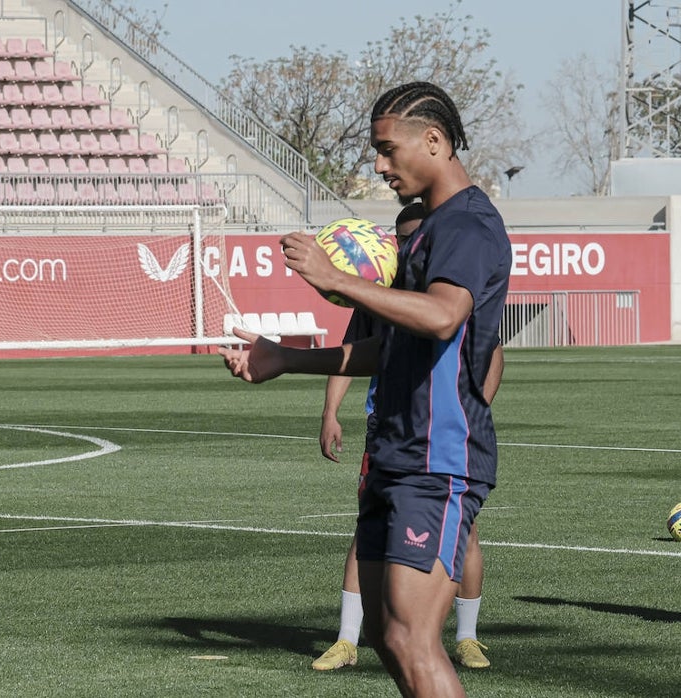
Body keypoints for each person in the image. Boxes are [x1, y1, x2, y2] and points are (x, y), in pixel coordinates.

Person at [220, 81, 511, 696]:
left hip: (439, 456)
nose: (379, 166)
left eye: (386, 149)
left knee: (412, 636)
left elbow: (441, 316)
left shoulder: (469, 225)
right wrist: (284, 361)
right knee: (385, 632)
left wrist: (335, 279)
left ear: (433, 141)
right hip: (397, 452)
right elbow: (395, 347)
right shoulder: (431, 228)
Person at [312, 203, 502, 673]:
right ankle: (346, 639)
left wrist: (475, 405)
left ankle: (467, 636)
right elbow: (355, 348)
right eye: (407, 239)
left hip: (442, 438)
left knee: (463, 539)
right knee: (368, 534)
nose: (414, 247)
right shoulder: (377, 290)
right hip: (387, 428)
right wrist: (329, 411)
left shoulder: (449, 284)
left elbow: (491, 350)